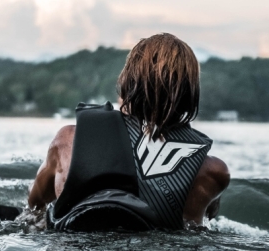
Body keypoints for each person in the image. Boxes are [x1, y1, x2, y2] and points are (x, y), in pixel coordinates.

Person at [28, 33, 229, 230]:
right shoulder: (213, 172)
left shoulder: (68, 141)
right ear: (189, 93)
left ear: (126, 82)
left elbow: (35, 207)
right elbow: (208, 219)